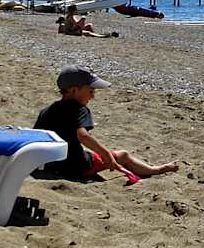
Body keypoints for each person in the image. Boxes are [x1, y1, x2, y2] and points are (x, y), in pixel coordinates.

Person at [33, 65, 178, 181]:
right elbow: (83, 136)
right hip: (75, 167)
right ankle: (155, 170)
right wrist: (107, 155)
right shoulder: (80, 110)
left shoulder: (47, 110)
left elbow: (37, 135)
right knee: (123, 155)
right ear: (74, 90)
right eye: (91, 91)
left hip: (49, 164)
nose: (93, 96)